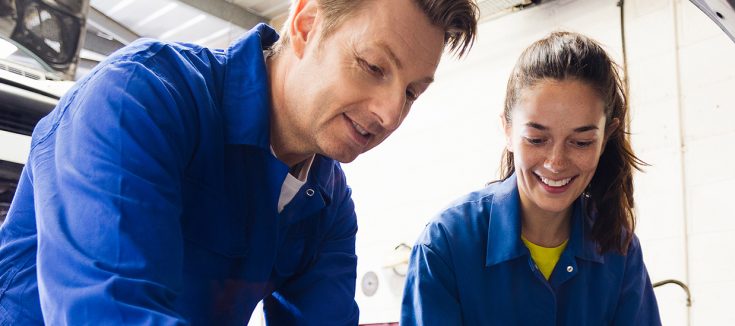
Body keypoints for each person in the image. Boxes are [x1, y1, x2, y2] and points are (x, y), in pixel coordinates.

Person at [0, 0, 477, 324]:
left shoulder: (327, 204)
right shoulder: (142, 98)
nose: (391, 113)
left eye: (412, 92)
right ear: (307, 25)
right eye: (373, 66)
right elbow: (111, 310)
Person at [401, 31, 661, 325]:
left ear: (605, 138)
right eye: (537, 139)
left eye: (582, 142)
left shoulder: (619, 248)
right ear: (508, 131)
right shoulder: (445, 244)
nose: (556, 162)